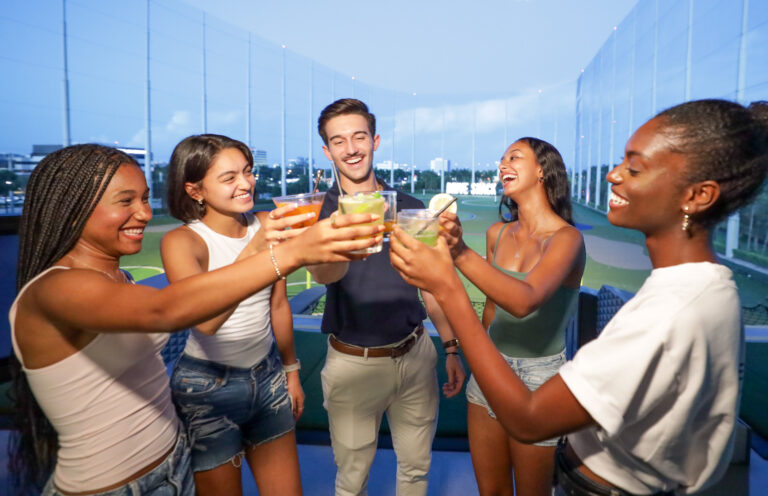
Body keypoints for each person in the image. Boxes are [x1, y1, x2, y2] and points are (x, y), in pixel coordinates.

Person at [390, 99, 768, 495]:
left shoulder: (672, 312)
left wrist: (447, 285)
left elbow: (529, 417)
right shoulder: (698, 291)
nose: (613, 175)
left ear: (698, 195)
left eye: (634, 168)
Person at [8, 143, 383, 496]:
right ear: (74, 209)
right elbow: (166, 311)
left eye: (142, 198)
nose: (144, 212)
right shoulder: (55, 289)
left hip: (175, 463)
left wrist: (332, 250)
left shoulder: (119, 279)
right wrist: (289, 253)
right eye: (126, 202)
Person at [307, 98, 466, 496]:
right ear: (327, 151)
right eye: (338, 141)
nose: (351, 148)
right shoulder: (320, 214)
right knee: (352, 481)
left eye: (359, 136)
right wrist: (338, 239)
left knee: (416, 471)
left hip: (414, 357)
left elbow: (429, 286)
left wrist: (449, 348)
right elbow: (321, 274)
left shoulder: (409, 208)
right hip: (353, 364)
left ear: (375, 141)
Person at [437, 137, 584, 496]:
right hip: (491, 371)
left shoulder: (567, 240)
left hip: (541, 379)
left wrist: (458, 252)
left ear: (541, 171)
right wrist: (472, 360)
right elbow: (493, 306)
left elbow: (524, 301)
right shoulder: (497, 233)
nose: (503, 165)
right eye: (501, 159)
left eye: (514, 157)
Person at [161, 134, 305, 495]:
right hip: (207, 389)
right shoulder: (183, 242)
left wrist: (291, 371)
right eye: (229, 178)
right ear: (195, 191)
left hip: (268, 375)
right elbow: (206, 322)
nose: (246, 183)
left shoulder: (265, 222)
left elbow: (277, 305)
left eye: (248, 171)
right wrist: (256, 249)